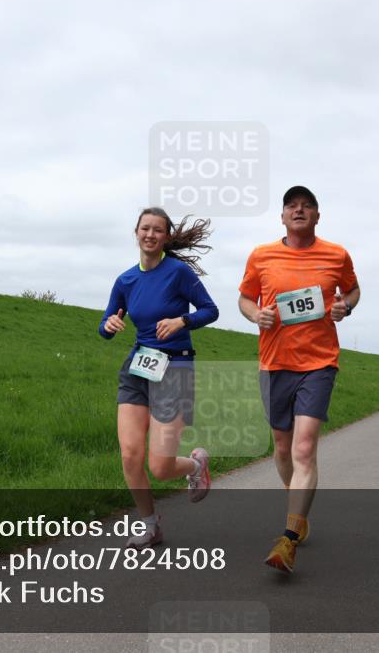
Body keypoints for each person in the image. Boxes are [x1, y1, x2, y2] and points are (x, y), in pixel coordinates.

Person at [238, 185, 360, 573]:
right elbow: (244, 298)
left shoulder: (336, 254)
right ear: (283, 216)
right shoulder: (261, 255)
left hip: (319, 363)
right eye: (292, 206)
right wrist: (256, 315)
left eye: (307, 206)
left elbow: (353, 291)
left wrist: (345, 306)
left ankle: (287, 539)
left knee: (304, 449)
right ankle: (298, 508)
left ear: (318, 216)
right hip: (274, 364)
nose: (299, 211)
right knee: (282, 446)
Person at [99, 208, 219, 549]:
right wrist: (108, 325)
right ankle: (151, 526)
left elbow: (210, 310)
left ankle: (195, 464)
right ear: (135, 232)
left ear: (166, 237)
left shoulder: (178, 273)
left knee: (161, 467)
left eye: (157, 230)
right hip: (138, 368)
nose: (150, 234)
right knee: (129, 456)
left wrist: (183, 321)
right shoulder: (125, 280)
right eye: (145, 228)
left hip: (176, 369)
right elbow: (107, 320)